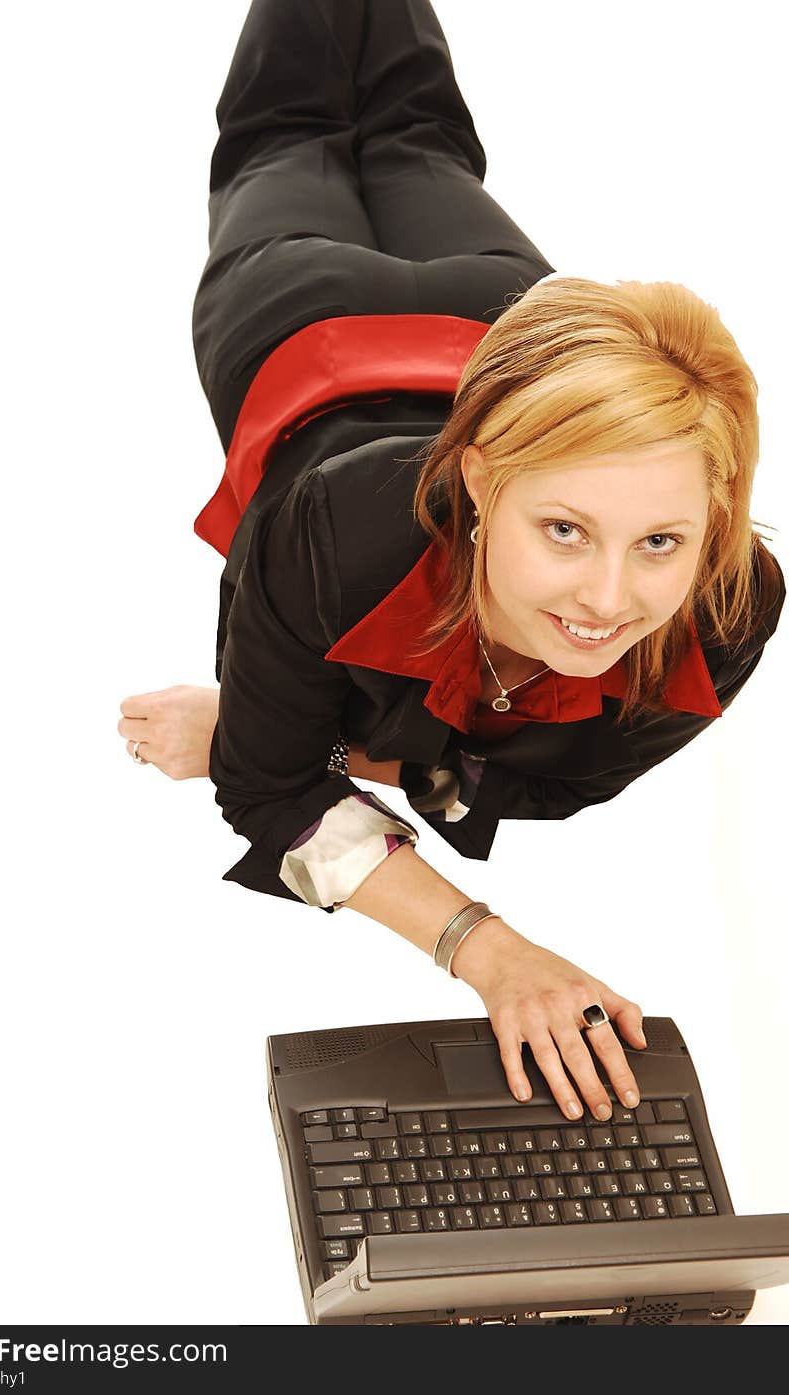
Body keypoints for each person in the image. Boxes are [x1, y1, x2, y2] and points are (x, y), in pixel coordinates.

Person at [117, 0, 785, 1126]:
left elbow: (548, 786)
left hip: (498, 334)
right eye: (564, 530)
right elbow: (267, 794)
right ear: (479, 481)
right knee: (302, 133)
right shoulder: (337, 535)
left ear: (714, 520)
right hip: (309, 309)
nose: (609, 603)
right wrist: (484, 948)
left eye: (660, 540)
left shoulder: (727, 604)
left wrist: (279, 731)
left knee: (409, 138)